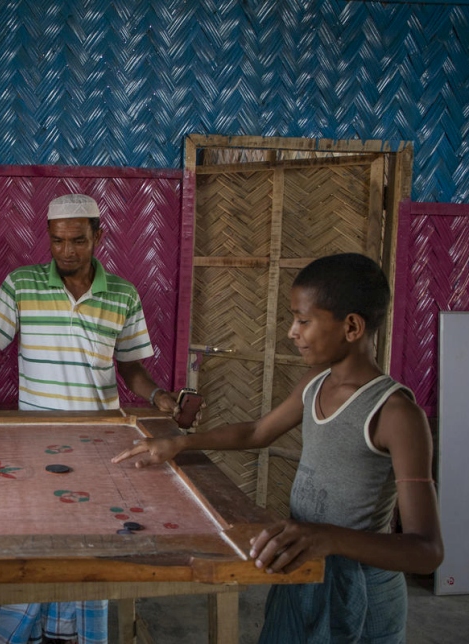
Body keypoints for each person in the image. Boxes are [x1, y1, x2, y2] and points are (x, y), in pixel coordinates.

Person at [113, 253, 444, 643]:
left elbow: (426, 550)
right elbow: (256, 432)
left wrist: (328, 537)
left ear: (352, 326)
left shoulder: (395, 413)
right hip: (301, 562)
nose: (292, 332)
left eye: (303, 320)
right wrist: (179, 442)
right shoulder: (315, 383)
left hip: (359, 589)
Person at [0, 193, 180, 644]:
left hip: (101, 441)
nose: (66, 250)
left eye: (78, 241)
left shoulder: (123, 294)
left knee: (91, 539)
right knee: (35, 536)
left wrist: (160, 395)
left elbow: (129, 367)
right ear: (48, 237)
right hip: (35, 438)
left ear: (98, 237)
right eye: (58, 240)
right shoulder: (22, 285)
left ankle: (71, 633)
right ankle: (16, 634)